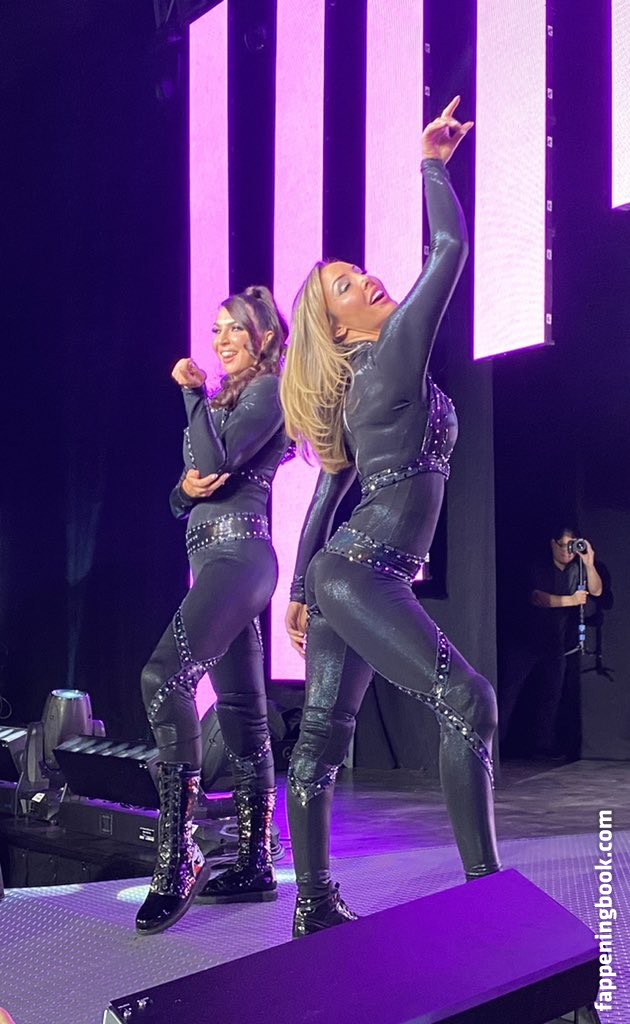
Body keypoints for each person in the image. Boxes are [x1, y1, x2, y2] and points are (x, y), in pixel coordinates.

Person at [280, 97, 500, 938]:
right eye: (345, 286)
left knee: (322, 742)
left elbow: (328, 491)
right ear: (337, 325)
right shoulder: (393, 352)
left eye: (358, 272)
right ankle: (487, 900)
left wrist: (303, 588)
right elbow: (450, 250)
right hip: (362, 572)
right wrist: (432, 164)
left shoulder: (363, 384)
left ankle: (313, 907)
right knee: (468, 702)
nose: (367, 280)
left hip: (348, 571)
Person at [136, 286, 290, 934]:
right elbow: (184, 496)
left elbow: (213, 461)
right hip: (214, 561)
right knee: (241, 709)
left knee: (161, 677)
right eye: (216, 329)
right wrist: (183, 488)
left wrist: (191, 396)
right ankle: (254, 861)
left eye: (235, 329)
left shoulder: (269, 391)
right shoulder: (225, 402)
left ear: (263, 338)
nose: (221, 339)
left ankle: (180, 855)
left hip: (239, 558)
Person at [498, 525, 603, 757]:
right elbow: (538, 598)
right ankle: (497, 743)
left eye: (571, 546)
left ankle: (542, 746)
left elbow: (596, 591)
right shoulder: (538, 567)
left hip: (554, 643)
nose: (567, 551)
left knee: (551, 696)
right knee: (510, 693)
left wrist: (589, 563)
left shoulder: (576, 569)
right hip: (524, 641)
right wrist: (571, 600)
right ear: (553, 544)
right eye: (563, 545)